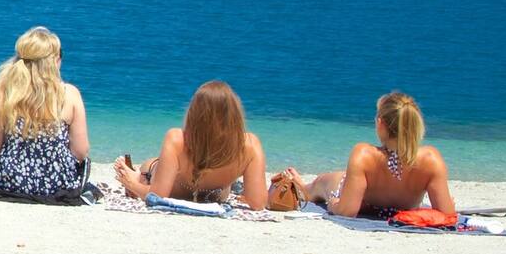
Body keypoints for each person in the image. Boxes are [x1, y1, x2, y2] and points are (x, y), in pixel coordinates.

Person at [277, 92, 455, 218]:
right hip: (401, 206)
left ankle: (303, 188)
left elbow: (347, 211)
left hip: (349, 191)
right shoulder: (431, 159)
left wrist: (332, 202)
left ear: (381, 124)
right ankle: (304, 187)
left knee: (320, 183)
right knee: (324, 182)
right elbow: (447, 214)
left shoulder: (364, 155)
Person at [111, 80, 269, 210]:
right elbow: (258, 203)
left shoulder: (177, 139)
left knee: (150, 165)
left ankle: (139, 178)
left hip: (174, 190)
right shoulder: (249, 145)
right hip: (216, 195)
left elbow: (158, 196)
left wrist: (130, 183)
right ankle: (140, 177)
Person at [0, 27, 90, 197]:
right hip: (58, 185)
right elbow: (80, 151)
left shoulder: (5, 93)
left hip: (10, 181)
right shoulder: (70, 94)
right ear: (55, 61)